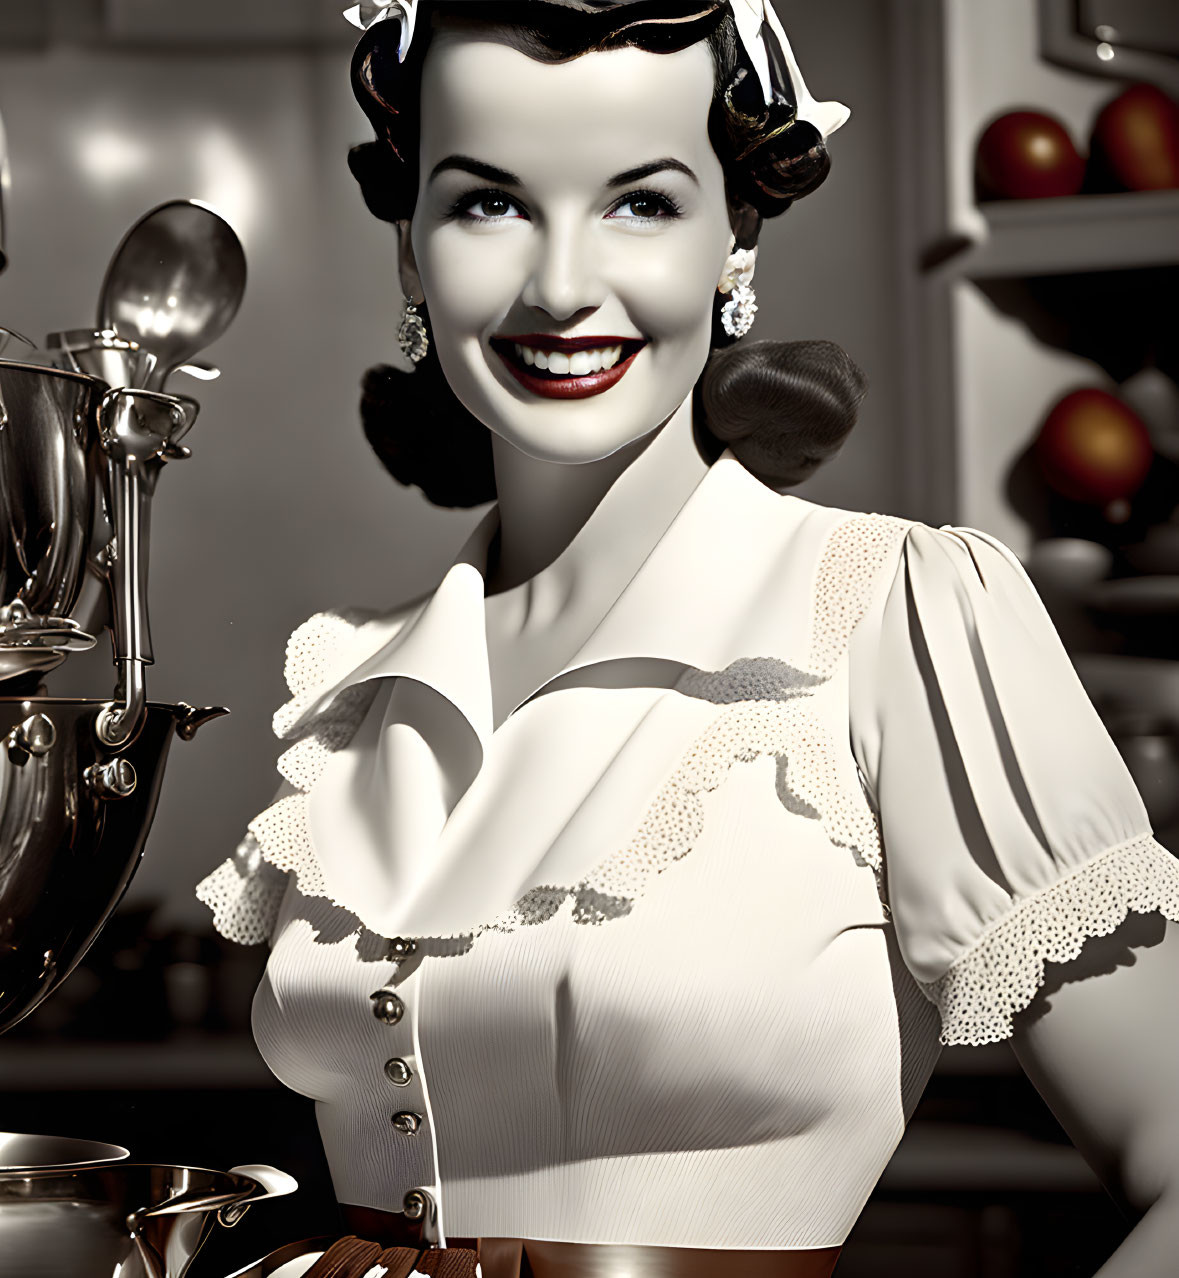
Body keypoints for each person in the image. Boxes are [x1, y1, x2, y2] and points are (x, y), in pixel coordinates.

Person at [198, 3, 1179, 1275]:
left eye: (640, 204)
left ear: (736, 237)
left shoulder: (892, 614)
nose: (559, 284)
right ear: (408, 250)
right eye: (487, 204)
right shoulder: (353, 685)